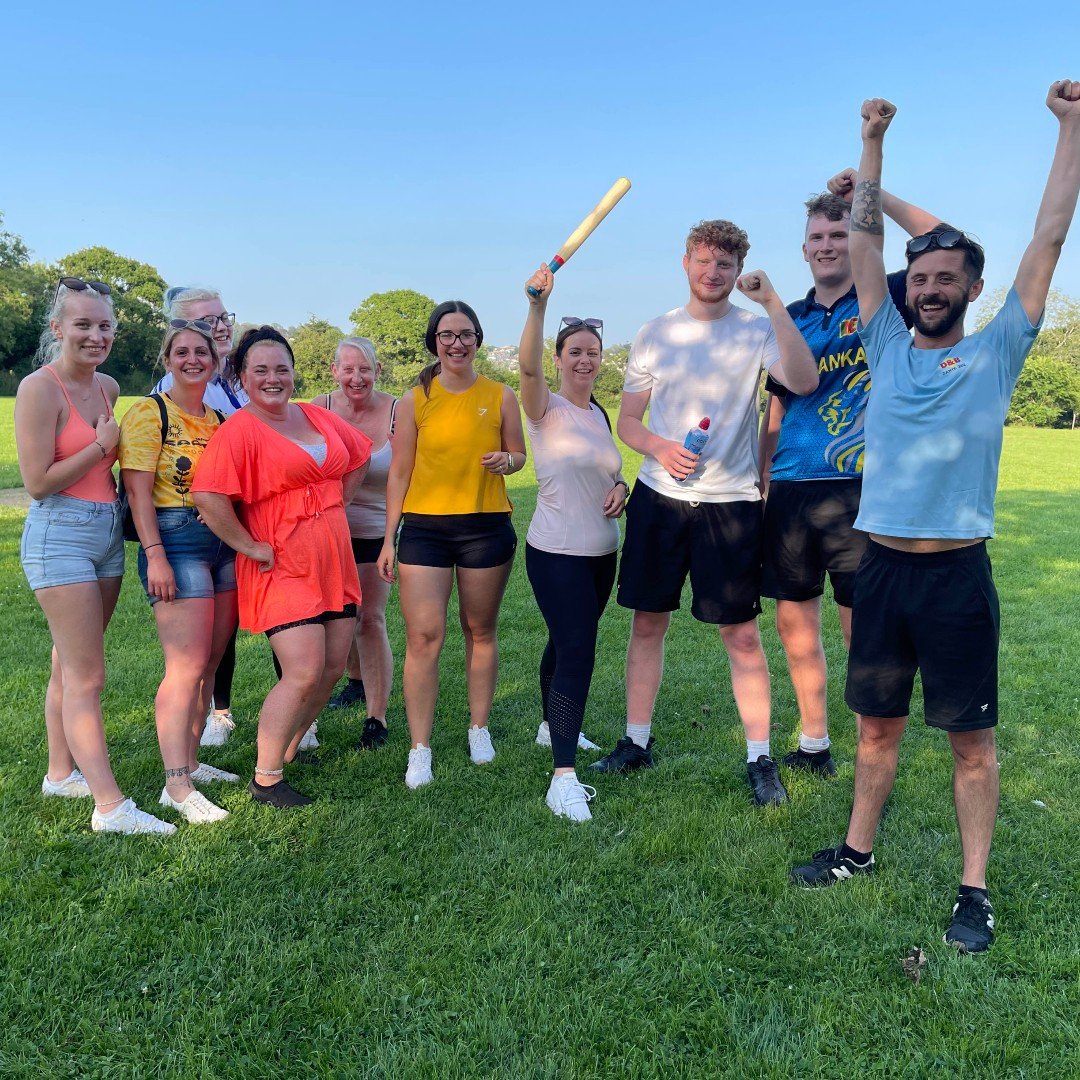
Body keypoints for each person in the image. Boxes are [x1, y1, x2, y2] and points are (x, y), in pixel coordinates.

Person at [791, 82, 1080, 955]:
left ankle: (974, 889)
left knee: (970, 744)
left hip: (957, 576)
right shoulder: (881, 338)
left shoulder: (996, 352)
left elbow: (1049, 236)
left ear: (971, 289)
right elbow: (866, 231)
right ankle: (857, 850)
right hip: (880, 571)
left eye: (946, 279)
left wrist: (1070, 129)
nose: (929, 289)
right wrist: (870, 141)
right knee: (876, 727)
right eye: (919, 278)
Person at [590, 220, 819, 807]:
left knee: (741, 634)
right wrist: (663, 448)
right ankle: (636, 741)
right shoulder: (654, 333)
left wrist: (770, 302)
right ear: (685, 262)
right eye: (703, 261)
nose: (712, 273)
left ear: (738, 269)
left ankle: (760, 758)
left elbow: (803, 379)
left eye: (725, 264)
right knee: (647, 623)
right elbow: (630, 423)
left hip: (732, 504)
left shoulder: (757, 329)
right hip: (660, 501)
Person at [757, 185, 940, 776]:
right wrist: (764, 479)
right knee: (795, 624)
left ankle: (871, 745)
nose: (829, 246)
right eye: (818, 238)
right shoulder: (794, 317)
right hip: (790, 488)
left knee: (863, 628)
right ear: (804, 250)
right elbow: (778, 407)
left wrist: (872, 191)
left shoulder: (884, 294)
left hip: (862, 488)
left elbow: (942, 243)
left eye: (840, 235)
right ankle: (814, 744)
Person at [16, 277, 174, 835]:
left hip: (105, 533)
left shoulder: (108, 386)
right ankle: (109, 807)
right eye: (83, 324)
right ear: (57, 328)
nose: (96, 335)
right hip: (59, 535)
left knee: (69, 663)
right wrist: (101, 447)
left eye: (105, 325)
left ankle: (60, 773)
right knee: (88, 677)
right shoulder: (40, 388)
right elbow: (37, 482)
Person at [192, 326, 372, 809]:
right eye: (261, 370)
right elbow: (207, 496)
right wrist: (248, 545)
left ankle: (287, 747)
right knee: (303, 669)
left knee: (333, 666)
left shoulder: (315, 415)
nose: (273, 379)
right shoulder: (240, 430)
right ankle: (266, 777)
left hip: (332, 554)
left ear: (294, 372)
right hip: (283, 560)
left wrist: (338, 502)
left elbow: (359, 456)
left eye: (281, 369)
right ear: (242, 377)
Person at [378, 301, 526, 789]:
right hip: (424, 531)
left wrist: (508, 460)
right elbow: (399, 471)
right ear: (434, 342)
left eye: (465, 334)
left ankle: (478, 727)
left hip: (486, 527)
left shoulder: (501, 395)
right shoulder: (413, 399)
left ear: (478, 340)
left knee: (480, 630)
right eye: (447, 335)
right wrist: (388, 538)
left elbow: (519, 454)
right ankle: (420, 747)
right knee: (424, 637)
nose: (456, 343)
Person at [119, 320, 240, 825]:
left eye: (202, 352)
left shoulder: (219, 419)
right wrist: (155, 554)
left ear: (214, 361)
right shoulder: (151, 412)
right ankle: (176, 786)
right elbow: (137, 491)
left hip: (222, 542)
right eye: (182, 352)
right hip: (174, 539)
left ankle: (191, 761)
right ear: (167, 360)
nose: (193, 360)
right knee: (185, 668)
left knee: (210, 663)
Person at [519, 266, 628, 821]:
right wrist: (538, 306)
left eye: (593, 351)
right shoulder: (545, 408)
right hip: (556, 550)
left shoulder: (599, 413)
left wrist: (622, 488)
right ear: (560, 358)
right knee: (578, 652)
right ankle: (563, 777)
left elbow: (608, 473)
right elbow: (527, 365)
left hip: (601, 553)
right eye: (575, 352)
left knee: (564, 644)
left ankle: (549, 727)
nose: (584, 359)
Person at [152, 286, 247, 748]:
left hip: (233, 529)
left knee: (215, 643)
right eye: (207, 321)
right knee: (192, 658)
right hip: (187, 532)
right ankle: (183, 767)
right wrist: (155, 553)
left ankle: (195, 748)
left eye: (223, 317)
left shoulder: (233, 381)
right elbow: (142, 484)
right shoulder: (168, 399)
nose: (221, 325)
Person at [310, 337, 395, 749]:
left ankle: (376, 717)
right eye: (348, 369)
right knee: (338, 616)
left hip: (379, 531)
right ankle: (354, 681)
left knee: (370, 619)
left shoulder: (398, 411)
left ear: (377, 370)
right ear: (334, 371)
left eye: (364, 369)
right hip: (327, 531)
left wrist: (395, 538)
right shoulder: (317, 409)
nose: (356, 378)